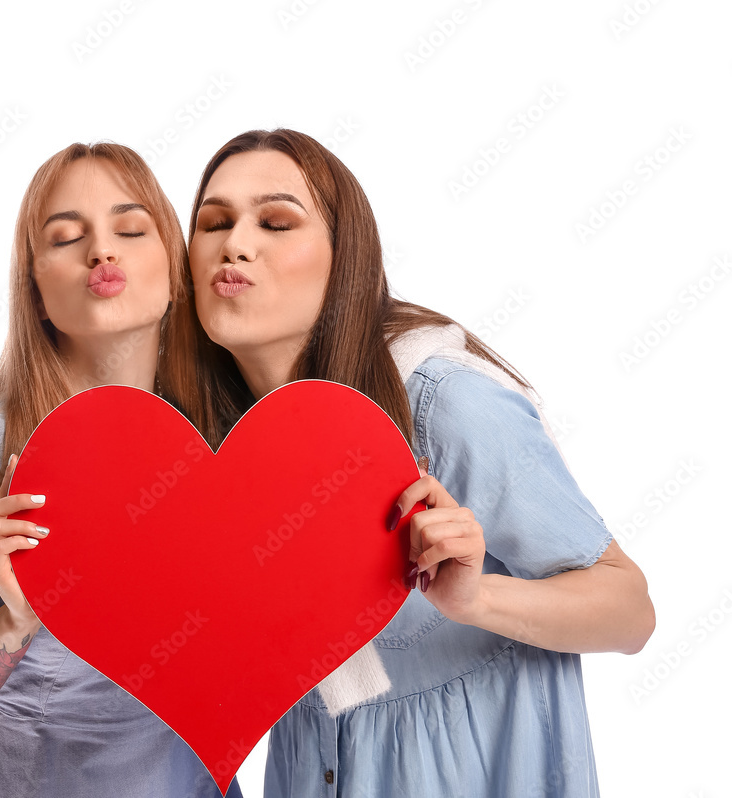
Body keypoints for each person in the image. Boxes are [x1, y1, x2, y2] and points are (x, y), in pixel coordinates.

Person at [160, 128, 655, 796]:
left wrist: (477, 598)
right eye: (213, 223)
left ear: (346, 259)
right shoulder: (221, 445)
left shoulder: (443, 400)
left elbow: (631, 610)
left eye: (276, 222)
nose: (235, 243)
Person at [0, 142, 242, 798]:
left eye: (131, 230)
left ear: (174, 266)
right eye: (66, 237)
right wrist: (17, 619)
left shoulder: (220, 441)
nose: (102, 251)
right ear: (35, 290)